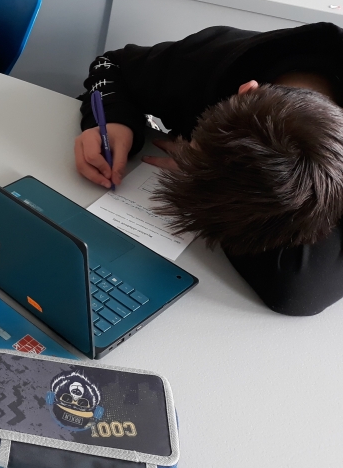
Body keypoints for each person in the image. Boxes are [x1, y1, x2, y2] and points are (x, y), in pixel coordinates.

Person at [73, 23, 343, 316]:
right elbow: (111, 65)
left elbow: (299, 292)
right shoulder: (206, 59)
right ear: (245, 91)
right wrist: (113, 120)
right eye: (193, 149)